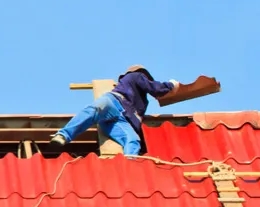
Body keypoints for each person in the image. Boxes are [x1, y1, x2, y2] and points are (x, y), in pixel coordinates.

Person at [51, 65, 179, 156]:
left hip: (122, 120)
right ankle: (63, 135)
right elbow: (156, 88)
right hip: (114, 103)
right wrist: (171, 85)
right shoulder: (136, 75)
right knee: (95, 109)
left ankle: (129, 163)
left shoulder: (142, 100)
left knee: (133, 140)